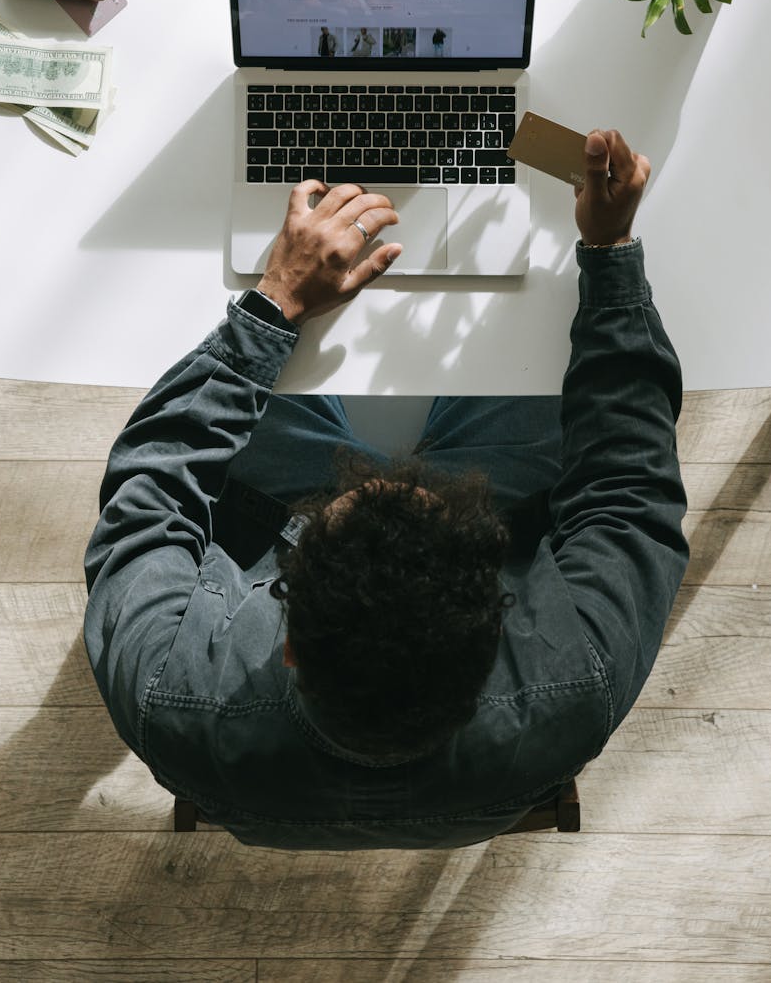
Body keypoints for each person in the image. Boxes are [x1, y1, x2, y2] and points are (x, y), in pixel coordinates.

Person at [84, 129, 688, 850]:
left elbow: (150, 483)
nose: (383, 473)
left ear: (287, 647)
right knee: (536, 354)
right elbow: (629, 482)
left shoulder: (167, 689)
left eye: (350, 504)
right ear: (499, 624)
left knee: (218, 369)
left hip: (297, 576)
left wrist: (272, 305)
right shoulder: (576, 679)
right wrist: (608, 253)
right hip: (470, 649)